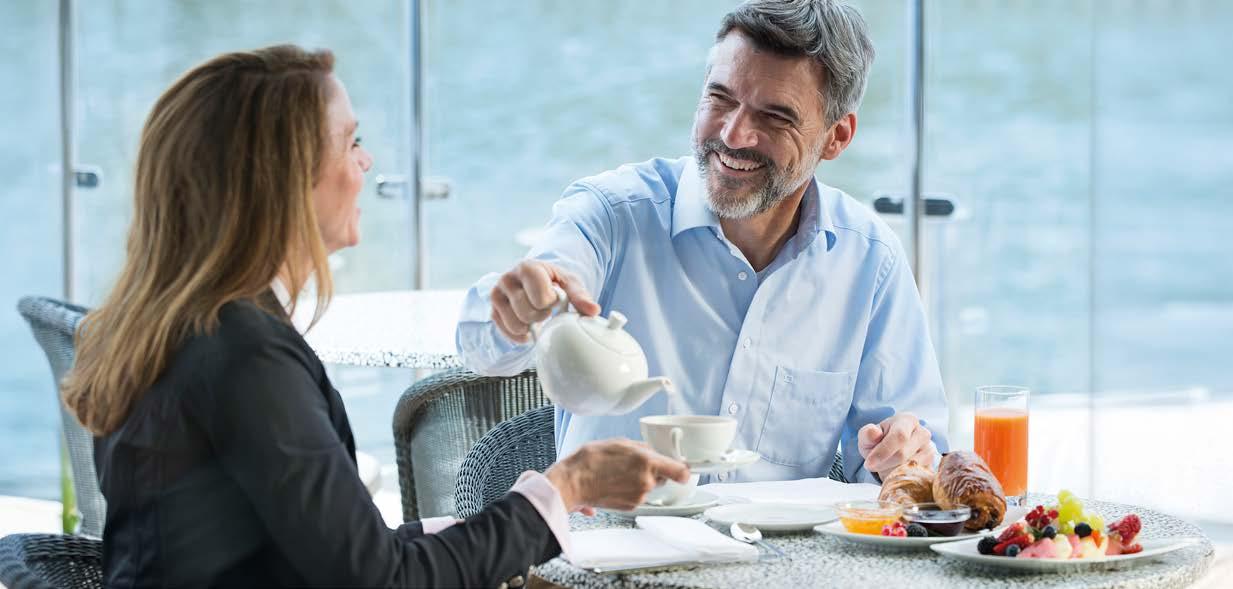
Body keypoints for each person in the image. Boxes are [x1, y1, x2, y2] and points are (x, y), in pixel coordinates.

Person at [61, 45, 688, 587]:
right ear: (284, 181)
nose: (366, 164)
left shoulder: (187, 328)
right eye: (351, 142)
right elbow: (379, 578)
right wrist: (567, 486)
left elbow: (333, 552)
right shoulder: (245, 353)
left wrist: (508, 518)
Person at [457, 0, 948, 485]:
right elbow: (486, 350)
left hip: (780, 542)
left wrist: (900, 458)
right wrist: (517, 312)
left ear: (837, 136)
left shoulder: (869, 262)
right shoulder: (610, 214)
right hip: (607, 536)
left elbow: (906, 467)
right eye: (721, 98)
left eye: (775, 117)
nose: (734, 135)